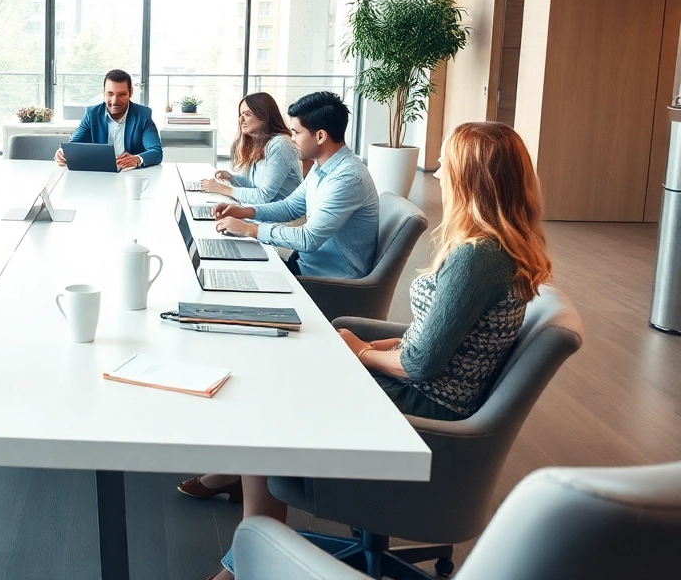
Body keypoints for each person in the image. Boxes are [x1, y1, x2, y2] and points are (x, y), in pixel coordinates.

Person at [198, 121, 554, 580]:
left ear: (472, 178)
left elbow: (421, 363)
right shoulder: (496, 248)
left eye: (450, 163)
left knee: (267, 397)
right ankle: (249, 516)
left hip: (426, 407)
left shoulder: (477, 257)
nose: (440, 171)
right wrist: (373, 344)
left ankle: (248, 556)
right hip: (430, 389)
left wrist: (361, 351)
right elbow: (441, 336)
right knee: (278, 373)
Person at [211, 91, 378, 279]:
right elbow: (290, 206)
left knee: (234, 277)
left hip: (328, 281)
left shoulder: (348, 178)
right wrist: (245, 212)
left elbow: (308, 239)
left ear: (320, 136)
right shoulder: (321, 166)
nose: (292, 139)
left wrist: (249, 229)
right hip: (303, 264)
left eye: (297, 132)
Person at [200, 92, 301, 204]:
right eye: (241, 114)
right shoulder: (259, 142)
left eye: (247, 114)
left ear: (264, 116)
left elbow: (263, 196)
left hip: (280, 219)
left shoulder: (280, 145)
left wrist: (222, 189)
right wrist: (231, 178)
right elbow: (253, 186)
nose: (241, 120)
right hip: (261, 214)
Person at [54, 69, 162, 170]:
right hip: (99, 175)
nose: (115, 101)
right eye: (110, 94)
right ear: (104, 92)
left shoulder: (143, 115)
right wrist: (63, 152)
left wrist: (137, 159)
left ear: (131, 92)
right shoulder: (92, 114)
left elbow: (156, 152)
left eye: (121, 95)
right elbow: (74, 145)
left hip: (132, 175)